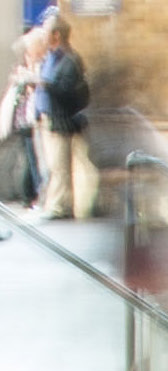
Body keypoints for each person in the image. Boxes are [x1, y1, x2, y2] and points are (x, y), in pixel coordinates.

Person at [29, 10, 92, 221]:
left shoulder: (69, 59)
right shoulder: (51, 58)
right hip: (48, 119)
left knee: (59, 166)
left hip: (60, 120)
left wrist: (44, 83)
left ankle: (60, 207)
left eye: (46, 31)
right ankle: (55, 204)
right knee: (53, 166)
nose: (42, 35)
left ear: (56, 35)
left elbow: (66, 89)